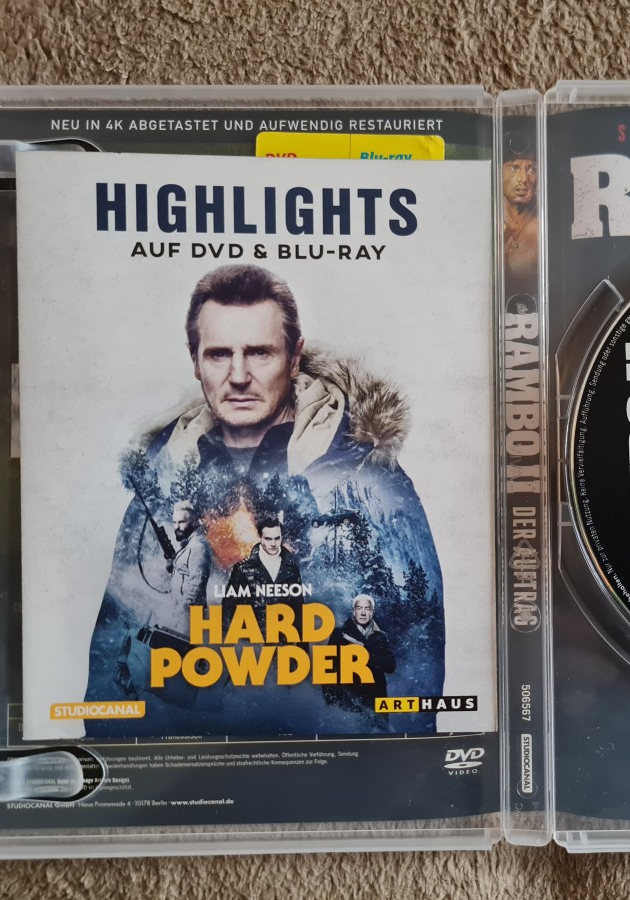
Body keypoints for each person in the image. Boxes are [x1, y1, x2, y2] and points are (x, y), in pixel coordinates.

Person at [85, 265, 444, 735]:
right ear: (195, 361)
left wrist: (384, 759)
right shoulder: (163, 477)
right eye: (219, 354)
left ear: (294, 358)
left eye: (259, 352)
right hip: (192, 760)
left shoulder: (364, 473)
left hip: (337, 756)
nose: (238, 376)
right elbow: (114, 658)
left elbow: (415, 652)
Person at [223, 517, 301, 630]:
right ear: (260, 538)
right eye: (268, 539)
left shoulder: (292, 569)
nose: (273, 543)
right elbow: (228, 611)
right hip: (253, 637)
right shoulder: (242, 569)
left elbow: (299, 612)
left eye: (277, 538)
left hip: (285, 637)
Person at [328, 594, 396, 713]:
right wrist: (332, 701)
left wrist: (363, 653)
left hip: (376, 700)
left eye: (367, 608)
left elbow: (390, 666)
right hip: (350, 702)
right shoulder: (339, 634)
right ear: (354, 611)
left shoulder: (381, 636)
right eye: (359, 608)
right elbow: (328, 671)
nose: (363, 613)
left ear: (372, 612)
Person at [501, 132, 538, 297]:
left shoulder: (541, 230)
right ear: (499, 173)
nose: (523, 179)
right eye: (514, 168)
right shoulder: (489, 223)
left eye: (532, 169)